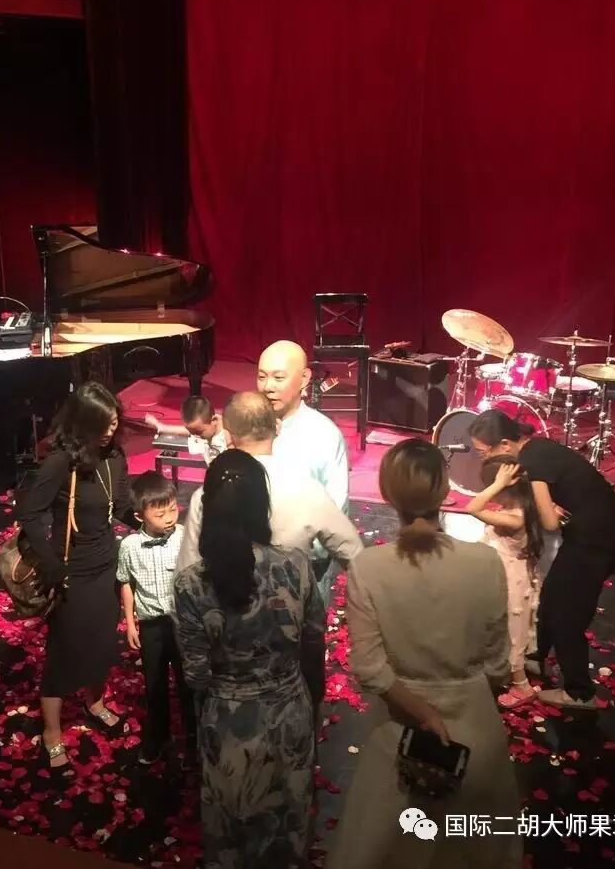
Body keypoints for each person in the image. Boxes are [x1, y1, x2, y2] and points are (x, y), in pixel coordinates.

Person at [329, 439, 521, 869]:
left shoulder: (368, 567)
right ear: (445, 490)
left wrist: (422, 712)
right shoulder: (484, 561)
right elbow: (497, 665)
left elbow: (370, 669)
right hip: (475, 728)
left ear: (387, 494)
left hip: (400, 733)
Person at [174, 450, 325, 869]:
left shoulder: (190, 584)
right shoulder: (295, 565)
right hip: (289, 714)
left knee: (231, 837)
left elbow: (195, 675)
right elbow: (314, 642)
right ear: (262, 504)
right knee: (287, 831)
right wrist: (312, 704)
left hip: (226, 723)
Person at [468, 409, 615, 709]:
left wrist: (541, 505)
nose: (483, 459)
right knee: (552, 598)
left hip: (597, 540)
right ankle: (536, 659)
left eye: (483, 452)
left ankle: (580, 693)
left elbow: (550, 523)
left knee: (567, 614)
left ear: (505, 444)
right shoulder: (537, 448)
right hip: (594, 530)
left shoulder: (533, 463)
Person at [16, 381, 132, 775]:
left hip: (106, 566)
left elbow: (122, 505)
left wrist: (154, 522)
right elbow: (30, 513)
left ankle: (94, 702)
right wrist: (51, 563)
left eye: (114, 423)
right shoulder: (61, 462)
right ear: (83, 424)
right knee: (64, 654)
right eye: (103, 425)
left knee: (102, 644)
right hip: (71, 572)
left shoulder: (114, 456)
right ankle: (52, 731)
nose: (111, 431)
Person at [177, 390, 363, 573]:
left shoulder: (207, 494)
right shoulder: (308, 489)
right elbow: (355, 555)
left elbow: (186, 572)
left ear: (227, 435)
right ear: (277, 427)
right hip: (289, 591)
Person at [117, 471, 196, 766]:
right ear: (140, 516)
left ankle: (193, 739)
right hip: (151, 625)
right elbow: (126, 582)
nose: (169, 518)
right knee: (155, 685)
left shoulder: (184, 536)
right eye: (160, 514)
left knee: (188, 684)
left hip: (182, 623)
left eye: (173, 510)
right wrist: (130, 621)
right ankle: (159, 736)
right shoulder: (129, 546)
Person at [466, 456, 544, 708]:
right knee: (504, 628)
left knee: (512, 632)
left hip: (511, 581)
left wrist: (498, 483)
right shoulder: (524, 507)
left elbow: (473, 508)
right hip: (509, 574)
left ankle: (521, 685)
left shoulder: (516, 518)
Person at [256, 340, 349, 509]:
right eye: (262, 377)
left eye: (278, 378)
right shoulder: (246, 425)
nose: (268, 387)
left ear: (304, 378)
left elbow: (336, 504)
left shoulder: (324, 434)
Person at [146, 395, 228, 465]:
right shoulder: (205, 429)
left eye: (198, 432)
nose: (195, 436)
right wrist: (161, 427)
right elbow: (188, 431)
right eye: (192, 432)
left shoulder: (228, 433)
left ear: (214, 420)